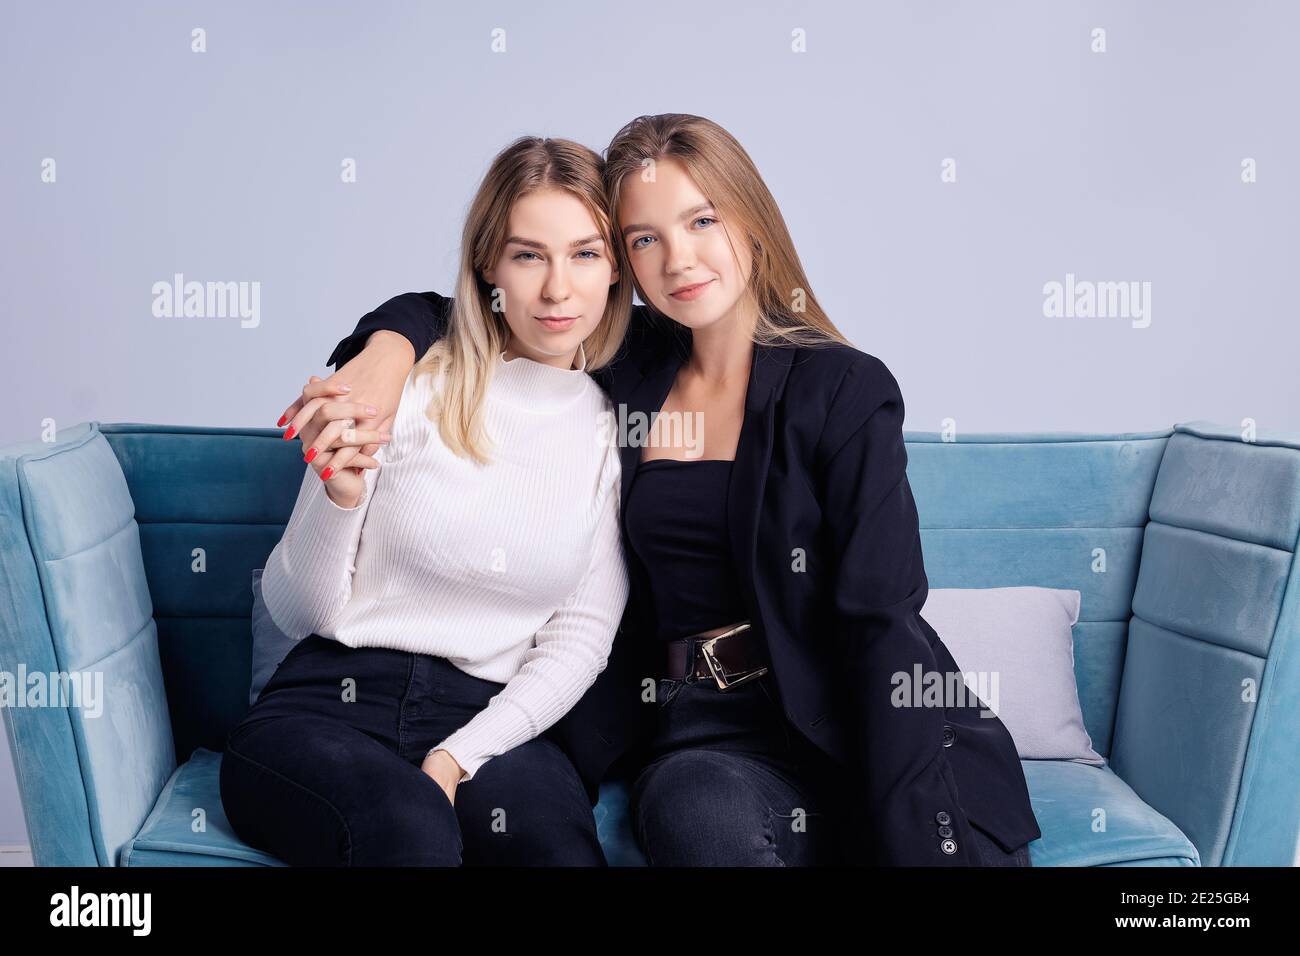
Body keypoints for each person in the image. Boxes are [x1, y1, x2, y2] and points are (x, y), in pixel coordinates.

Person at [282, 114, 1040, 866]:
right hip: (709, 739)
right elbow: (473, 307)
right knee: (695, 816)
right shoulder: (628, 365)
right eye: (645, 238)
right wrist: (381, 354)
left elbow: (882, 623)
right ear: (624, 265)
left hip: (864, 719)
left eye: (701, 220)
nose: (679, 260)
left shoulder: (843, 388)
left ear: (752, 223)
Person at [219, 136, 631, 866]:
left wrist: (457, 758)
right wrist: (337, 498)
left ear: (615, 270)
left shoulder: (612, 429)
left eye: (586, 254)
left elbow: (580, 641)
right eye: (528, 255)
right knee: (408, 829)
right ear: (488, 266)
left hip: (492, 717)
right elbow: (298, 612)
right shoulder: (402, 384)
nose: (558, 289)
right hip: (326, 704)